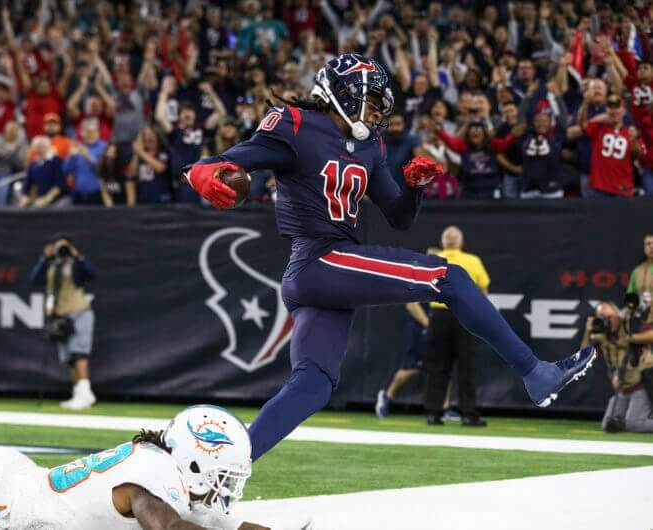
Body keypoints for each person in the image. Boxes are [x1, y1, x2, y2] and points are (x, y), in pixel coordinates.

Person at [184, 53, 596, 462]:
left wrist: (414, 189)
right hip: (319, 258)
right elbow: (228, 161)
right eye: (370, 100)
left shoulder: (371, 145)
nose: (377, 111)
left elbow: (398, 217)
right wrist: (204, 171)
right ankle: (536, 372)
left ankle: (225, 470)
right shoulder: (294, 124)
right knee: (448, 277)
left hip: (324, 274)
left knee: (315, 383)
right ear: (340, 93)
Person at [0, 405, 269, 530]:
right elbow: (170, 528)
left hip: (14, 479)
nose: (223, 487)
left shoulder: (163, 467)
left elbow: (229, 526)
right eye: (221, 476)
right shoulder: (156, 475)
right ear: (194, 461)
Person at [424, 226, 489, 427]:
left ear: (443, 243)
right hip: (465, 316)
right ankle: (468, 414)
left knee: (438, 366)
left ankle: (433, 412)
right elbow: (483, 293)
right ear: (460, 243)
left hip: (440, 315)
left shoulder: (432, 261)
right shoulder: (473, 261)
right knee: (466, 366)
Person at [30, 235, 97, 410]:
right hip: (60, 315)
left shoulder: (75, 263)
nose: (60, 250)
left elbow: (92, 273)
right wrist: (44, 258)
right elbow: (35, 280)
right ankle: (78, 394)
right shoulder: (51, 264)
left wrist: (77, 255)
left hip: (79, 311)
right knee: (68, 357)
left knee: (78, 353)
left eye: (63, 246)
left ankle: (86, 392)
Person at [581, 302, 653, 433]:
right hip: (622, 389)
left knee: (634, 424)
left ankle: (638, 417)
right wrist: (588, 331)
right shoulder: (602, 336)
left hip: (642, 385)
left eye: (610, 317)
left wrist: (632, 338)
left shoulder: (631, 325)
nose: (608, 321)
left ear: (617, 314)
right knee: (608, 426)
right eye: (602, 318)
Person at [375, 301, 429, 418]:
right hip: (420, 328)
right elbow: (411, 305)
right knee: (412, 367)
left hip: (438, 325)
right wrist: (428, 325)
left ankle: (444, 407)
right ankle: (387, 395)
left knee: (443, 367)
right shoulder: (418, 284)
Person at [628, 234, 653, 300]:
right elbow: (630, 300)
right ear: (644, 248)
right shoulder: (637, 272)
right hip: (641, 310)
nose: (652, 246)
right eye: (648, 244)